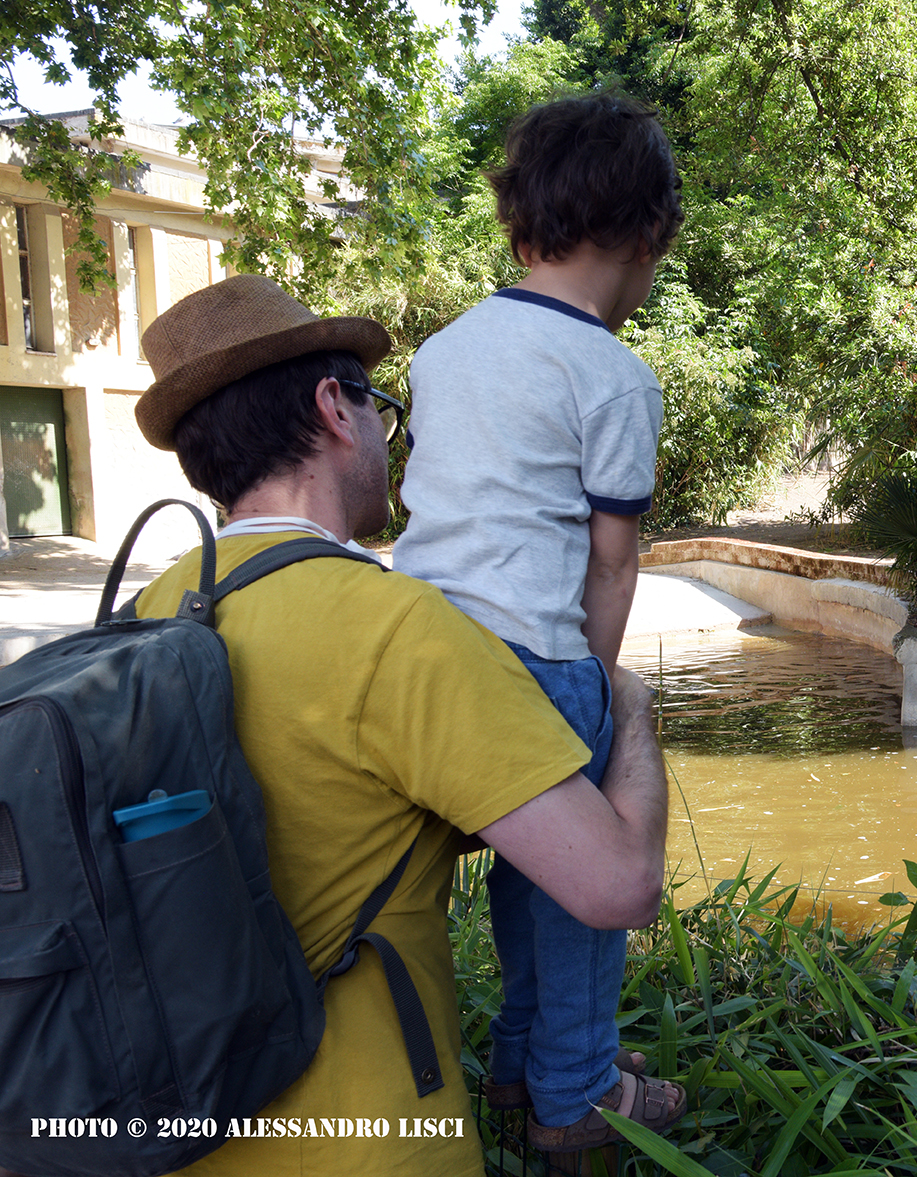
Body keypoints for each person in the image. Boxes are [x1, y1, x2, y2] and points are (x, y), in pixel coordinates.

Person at [127, 273, 680, 1174]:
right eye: (382, 410)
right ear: (334, 411)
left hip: (173, 1129)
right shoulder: (401, 630)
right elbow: (617, 886)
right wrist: (631, 707)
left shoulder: (143, 616)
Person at [392, 91, 685, 1151]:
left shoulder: (443, 350)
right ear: (649, 236)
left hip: (420, 661)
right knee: (579, 889)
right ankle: (576, 1091)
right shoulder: (613, 376)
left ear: (520, 225)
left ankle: (524, 1061)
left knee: (532, 866)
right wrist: (599, 691)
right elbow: (608, 564)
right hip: (534, 658)